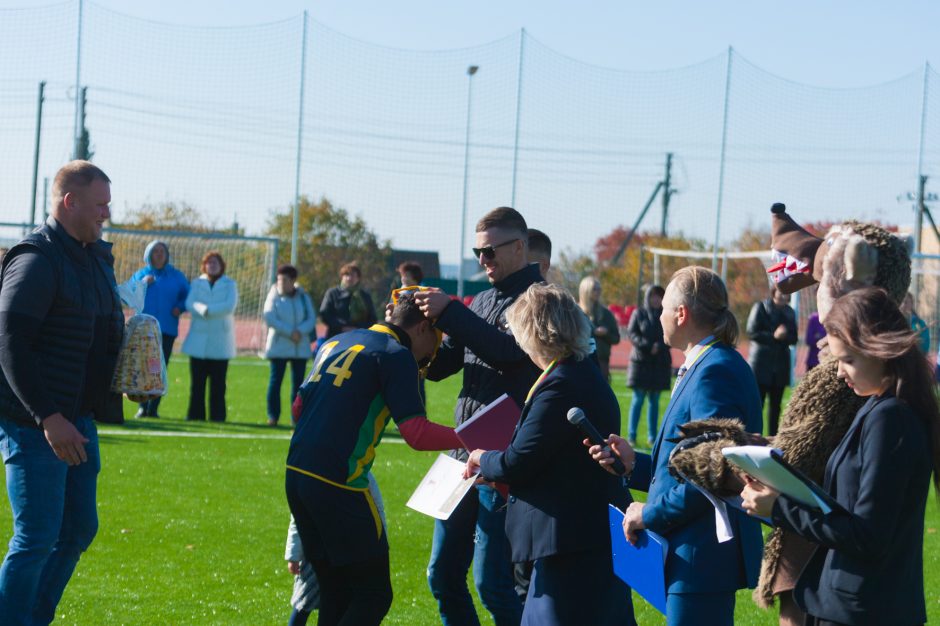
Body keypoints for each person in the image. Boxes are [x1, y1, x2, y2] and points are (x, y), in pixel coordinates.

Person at [740, 287, 939, 626]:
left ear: (880, 351)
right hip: (848, 605)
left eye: (848, 360)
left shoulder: (891, 419)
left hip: (865, 611)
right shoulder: (877, 407)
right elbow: (844, 504)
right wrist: (780, 485)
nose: (839, 372)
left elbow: (867, 535)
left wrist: (779, 508)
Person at [590, 266, 763, 626]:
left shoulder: (716, 371)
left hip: (701, 555)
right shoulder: (707, 364)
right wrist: (631, 464)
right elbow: (689, 466)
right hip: (692, 552)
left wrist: (647, 514)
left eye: (664, 308)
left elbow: (712, 474)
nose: (660, 316)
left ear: (681, 314)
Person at [284, 293, 463, 626]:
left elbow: (298, 407)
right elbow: (416, 433)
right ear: (423, 327)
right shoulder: (397, 355)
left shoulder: (335, 341)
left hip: (296, 474)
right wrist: (467, 437)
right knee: (374, 595)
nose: (433, 353)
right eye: (436, 340)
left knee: (335, 590)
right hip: (340, 482)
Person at [464, 283, 634, 626]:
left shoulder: (561, 383)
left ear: (534, 332)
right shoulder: (579, 371)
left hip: (567, 542)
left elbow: (518, 460)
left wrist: (482, 457)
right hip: (584, 535)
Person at [0, 160, 124, 624]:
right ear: (70, 202)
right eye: (100, 205)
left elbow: (92, 335)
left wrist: (126, 376)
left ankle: (33, 617)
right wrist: (48, 417)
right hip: (36, 424)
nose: (106, 214)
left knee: (76, 530)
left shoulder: (94, 258)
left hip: (79, 419)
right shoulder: (36, 258)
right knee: (36, 537)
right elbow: (10, 342)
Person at [415, 206, 542, 626]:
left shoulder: (538, 301)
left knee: (493, 584)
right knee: (441, 575)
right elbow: (440, 367)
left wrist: (450, 311)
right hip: (459, 457)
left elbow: (508, 355)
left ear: (520, 247)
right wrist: (413, 332)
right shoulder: (482, 299)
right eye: (477, 253)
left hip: (499, 461)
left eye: (489, 252)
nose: (482, 261)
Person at [284, 472, 386, 626]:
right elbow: (298, 516)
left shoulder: (362, 476)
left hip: (347, 554)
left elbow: (377, 509)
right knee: (303, 602)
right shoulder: (315, 475)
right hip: (315, 556)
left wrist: (380, 540)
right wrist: (293, 555)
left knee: (340, 602)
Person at [131, 239, 189, 418]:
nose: (159, 254)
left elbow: (188, 295)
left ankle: (153, 408)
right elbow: (129, 294)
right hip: (144, 329)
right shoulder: (141, 275)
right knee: (143, 368)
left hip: (166, 329)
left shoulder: (176, 276)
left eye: (162, 251)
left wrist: (180, 307)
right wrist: (142, 284)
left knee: (159, 369)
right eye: (155, 251)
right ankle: (142, 406)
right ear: (148, 254)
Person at [182, 251, 237, 422]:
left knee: (218, 385)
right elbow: (189, 303)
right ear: (204, 266)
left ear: (221, 266)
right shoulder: (197, 283)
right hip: (198, 341)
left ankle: (218, 416)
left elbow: (229, 306)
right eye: (209, 263)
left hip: (220, 342)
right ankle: (195, 415)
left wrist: (209, 310)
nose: (212, 266)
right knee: (197, 383)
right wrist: (201, 309)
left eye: (215, 263)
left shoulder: (230, 284)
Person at [264, 264, 316, 427]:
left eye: (285, 279)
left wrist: (299, 331)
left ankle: (297, 418)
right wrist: (289, 332)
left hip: (299, 347)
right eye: (279, 279)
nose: (281, 282)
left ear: (293, 280)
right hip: (279, 346)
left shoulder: (303, 296)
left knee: (299, 385)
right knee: (275, 382)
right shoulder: (273, 295)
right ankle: (273, 416)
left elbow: (311, 318)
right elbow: (269, 317)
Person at [746, 286, 798, 436]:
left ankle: (772, 438)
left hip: (780, 366)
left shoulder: (790, 312)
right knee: (757, 404)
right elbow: (752, 332)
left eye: (786, 293)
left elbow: (794, 338)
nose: (783, 296)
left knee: (776, 407)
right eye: (781, 292)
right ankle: (752, 435)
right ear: (774, 292)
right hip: (761, 364)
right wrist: (773, 336)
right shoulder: (761, 307)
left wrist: (785, 336)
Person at [625, 284, 671, 447]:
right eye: (653, 296)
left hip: (659, 364)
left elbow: (672, 334)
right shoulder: (639, 313)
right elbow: (632, 333)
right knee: (638, 400)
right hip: (641, 363)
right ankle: (631, 436)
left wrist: (660, 345)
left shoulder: (666, 314)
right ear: (648, 297)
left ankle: (652, 437)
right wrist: (647, 345)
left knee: (654, 401)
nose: (656, 299)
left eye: (659, 296)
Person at [578, 276, 620, 381]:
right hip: (580, 360)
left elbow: (616, 338)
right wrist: (593, 332)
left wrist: (605, 334)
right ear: (585, 290)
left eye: (599, 289)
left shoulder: (606, 314)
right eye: (594, 289)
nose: (598, 292)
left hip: (602, 362)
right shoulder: (575, 312)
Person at [319, 262, 376, 339]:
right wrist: (342, 327)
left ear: (358, 278)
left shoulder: (365, 296)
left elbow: (372, 319)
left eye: (353, 275)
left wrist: (357, 329)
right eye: (346, 275)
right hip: (336, 337)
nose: (349, 278)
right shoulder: (332, 293)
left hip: (360, 338)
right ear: (342, 277)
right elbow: (325, 315)